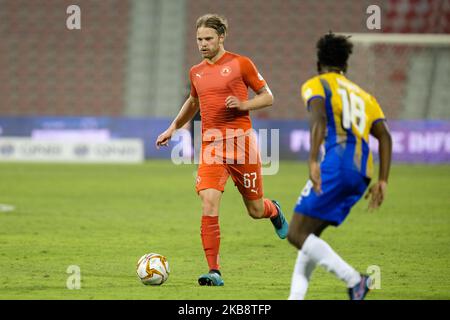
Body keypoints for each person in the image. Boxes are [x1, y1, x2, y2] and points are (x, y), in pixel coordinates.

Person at [155, 14, 288, 286]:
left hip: (242, 145)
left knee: (254, 210)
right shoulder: (196, 72)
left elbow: (268, 97)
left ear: (221, 37)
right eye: (199, 39)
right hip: (212, 147)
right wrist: (173, 128)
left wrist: (243, 105)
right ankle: (214, 271)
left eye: (208, 39)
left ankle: (273, 210)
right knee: (209, 202)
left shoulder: (241, 64)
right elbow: (193, 102)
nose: (203, 44)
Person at [287, 32, 392, 300]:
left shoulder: (316, 85)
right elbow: (385, 136)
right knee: (309, 238)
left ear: (318, 62)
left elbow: (319, 118)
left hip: (337, 165)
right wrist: (383, 180)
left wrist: (312, 160)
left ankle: (355, 280)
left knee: (295, 232)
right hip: (363, 173)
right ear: (345, 64)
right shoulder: (365, 96)